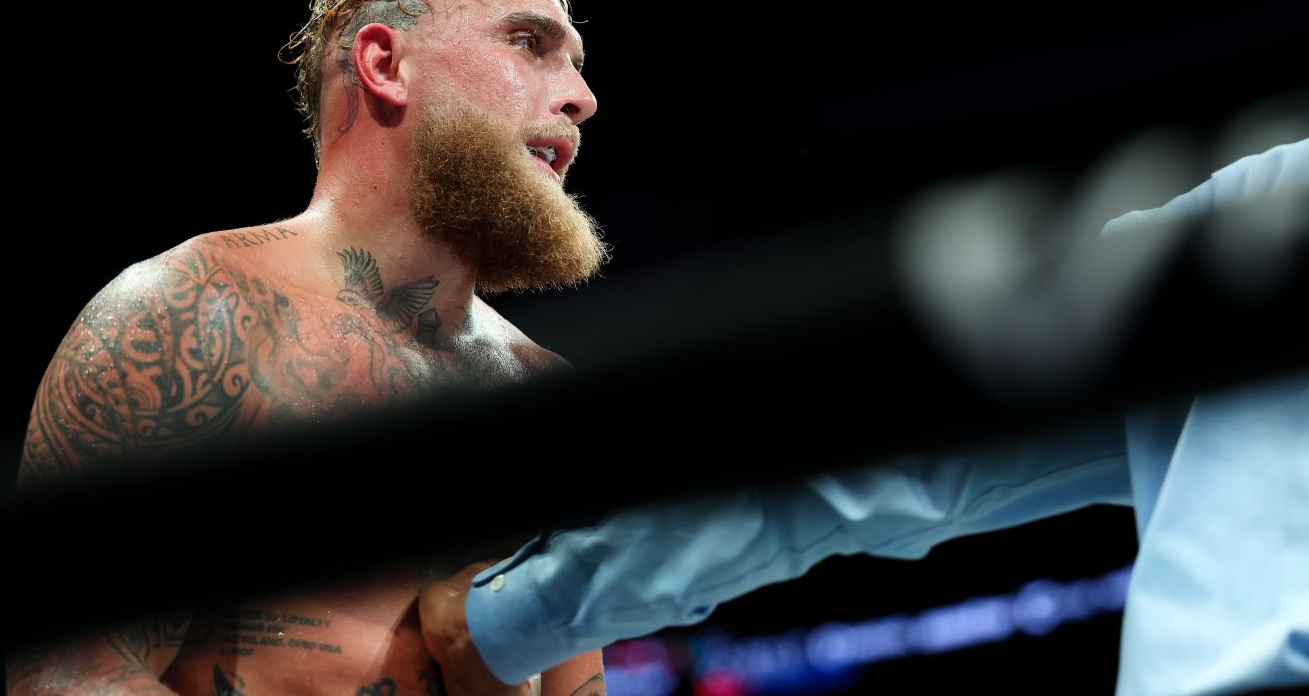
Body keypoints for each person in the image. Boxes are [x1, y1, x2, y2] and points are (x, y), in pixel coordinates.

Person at [420, 138, 1309, 696]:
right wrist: (517, 619)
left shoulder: (1274, 217)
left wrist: (514, 619)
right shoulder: (1269, 225)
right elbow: (910, 443)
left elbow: (900, 451)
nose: (578, 98)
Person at [7, 0, 610, 696]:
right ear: (385, 65)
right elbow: (67, 677)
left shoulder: (546, 398)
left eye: (576, 63)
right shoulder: (195, 313)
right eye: (529, 43)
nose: (582, 97)